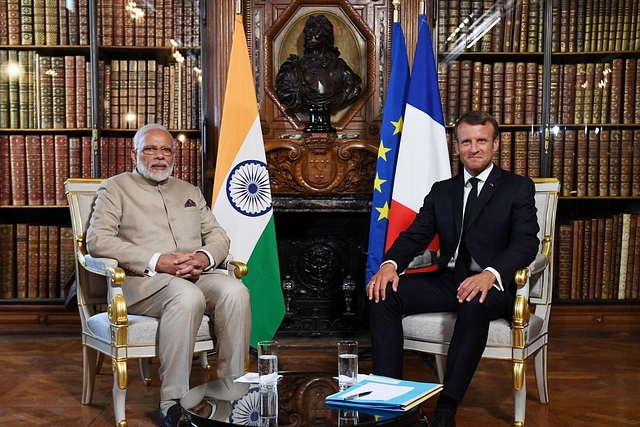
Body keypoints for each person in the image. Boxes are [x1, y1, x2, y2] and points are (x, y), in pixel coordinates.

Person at [366, 111, 540, 427]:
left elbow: (527, 244)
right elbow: (416, 235)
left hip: (491, 287)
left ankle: (447, 407)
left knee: (473, 302)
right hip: (446, 282)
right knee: (383, 293)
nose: (474, 148)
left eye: (481, 141)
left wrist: (490, 274)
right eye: (466, 142)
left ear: (495, 144)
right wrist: (390, 265)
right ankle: (389, 401)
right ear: (457, 146)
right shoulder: (442, 190)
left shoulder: (517, 188)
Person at [86, 123, 251, 427]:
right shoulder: (115, 187)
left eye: (166, 150)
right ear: (134, 152)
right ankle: (172, 400)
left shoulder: (189, 191)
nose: (159, 156)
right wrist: (157, 260)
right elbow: (98, 240)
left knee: (236, 291)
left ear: (175, 155)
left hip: (195, 274)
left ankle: (232, 390)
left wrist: (203, 257)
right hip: (144, 283)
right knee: (187, 296)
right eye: (150, 149)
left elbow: (218, 237)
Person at [275, 14, 362, 130]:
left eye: (315, 32)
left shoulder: (340, 69)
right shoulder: (292, 70)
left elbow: (354, 89)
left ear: (326, 36)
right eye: (308, 34)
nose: (310, 37)